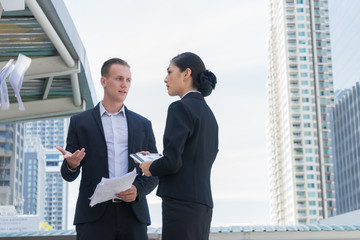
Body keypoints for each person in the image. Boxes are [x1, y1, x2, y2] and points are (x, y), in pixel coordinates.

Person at [56, 58, 158, 240]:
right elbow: (68, 174)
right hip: (93, 217)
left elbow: (155, 171)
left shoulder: (143, 125)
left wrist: (137, 190)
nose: (124, 84)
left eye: (128, 80)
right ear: (104, 81)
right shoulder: (80, 122)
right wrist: (71, 165)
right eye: (119, 78)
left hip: (133, 215)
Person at [139, 52, 218, 240]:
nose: (165, 79)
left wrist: (149, 166)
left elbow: (172, 162)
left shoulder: (179, 107)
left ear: (186, 73)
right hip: (203, 205)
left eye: (169, 72)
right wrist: (157, 159)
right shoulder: (210, 115)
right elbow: (192, 158)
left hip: (181, 204)